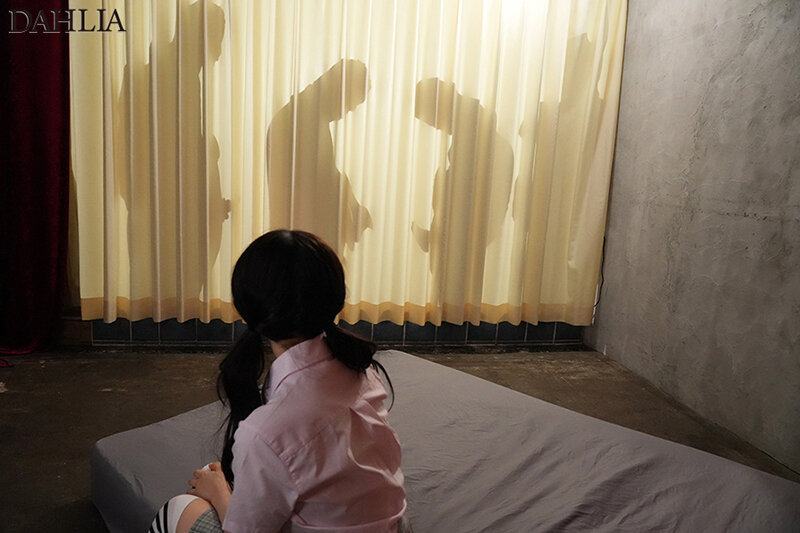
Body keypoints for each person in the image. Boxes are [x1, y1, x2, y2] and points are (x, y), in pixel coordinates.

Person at [150, 230, 407, 533]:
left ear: (247, 307)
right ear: (335, 296)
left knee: (178, 508)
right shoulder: (365, 372)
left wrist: (219, 492)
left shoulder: (265, 431)